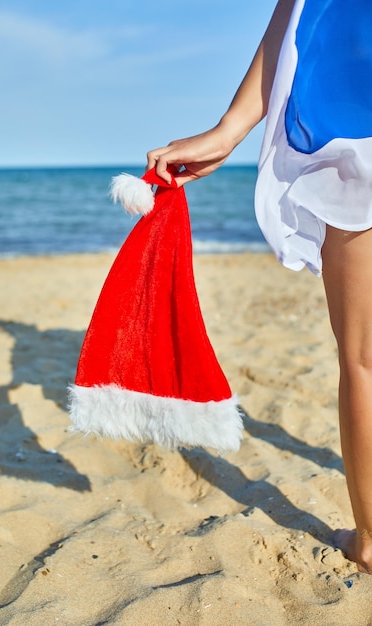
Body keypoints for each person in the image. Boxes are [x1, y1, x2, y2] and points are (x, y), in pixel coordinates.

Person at [147, 0, 372, 575]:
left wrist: (229, 131)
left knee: (366, 358)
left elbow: (297, 20)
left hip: (355, 127)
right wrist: (227, 131)